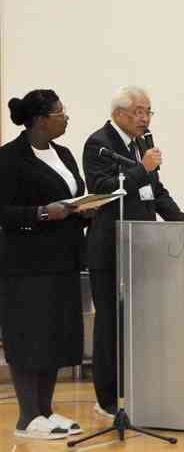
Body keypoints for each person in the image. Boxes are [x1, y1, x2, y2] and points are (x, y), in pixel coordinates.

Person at [82, 86, 184, 418]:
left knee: (138, 324)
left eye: (148, 112)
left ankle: (137, 391)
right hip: (109, 249)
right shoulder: (98, 144)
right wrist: (142, 167)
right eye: (139, 111)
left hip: (143, 249)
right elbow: (101, 189)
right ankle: (107, 399)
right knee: (110, 327)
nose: (145, 118)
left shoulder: (141, 144)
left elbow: (155, 192)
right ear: (119, 114)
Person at [0, 90, 86, 439]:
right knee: (29, 336)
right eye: (59, 112)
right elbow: (4, 212)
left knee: (54, 336)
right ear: (39, 120)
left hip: (63, 259)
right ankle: (26, 417)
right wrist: (40, 213)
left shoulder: (63, 154)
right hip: (26, 265)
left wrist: (83, 209)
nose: (66, 117)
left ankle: (46, 412)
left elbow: (73, 195)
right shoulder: (9, 158)